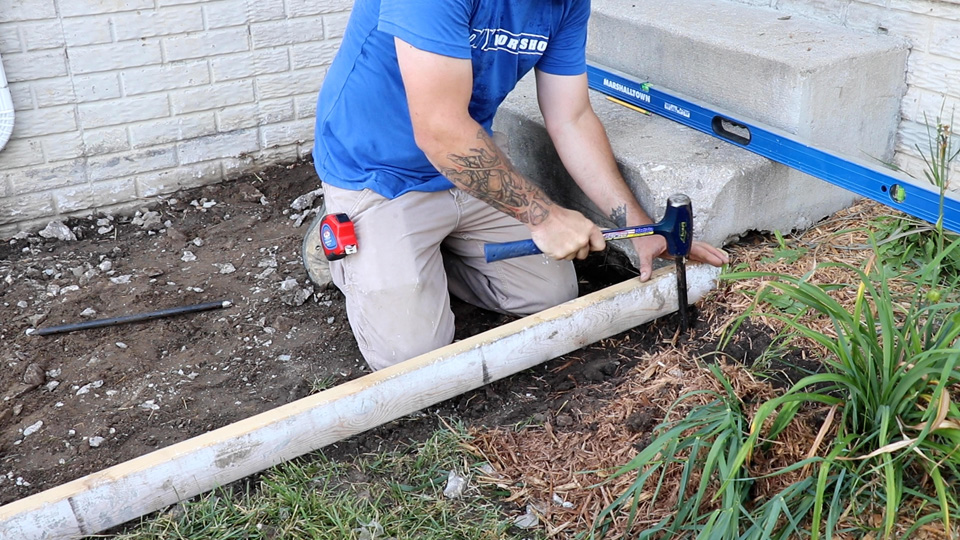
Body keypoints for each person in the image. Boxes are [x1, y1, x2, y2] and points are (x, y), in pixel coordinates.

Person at [304, 0, 729, 371]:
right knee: (413, 357)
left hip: (473, 166)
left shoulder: (563, 3)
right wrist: (541, 215)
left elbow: (572, 118)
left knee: (551, 295)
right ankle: (353, 251)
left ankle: (428, 256)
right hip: (379, 174)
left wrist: (641, 228)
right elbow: (439, 130)